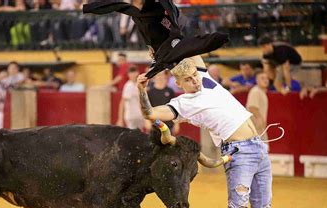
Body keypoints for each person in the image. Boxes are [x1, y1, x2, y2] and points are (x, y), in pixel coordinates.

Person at [136, 56, 282, 208]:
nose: (195, 80)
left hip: (259, 147)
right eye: (188, 79)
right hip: (238, 153)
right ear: (179, 84)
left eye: (195, 74)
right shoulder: (182, 103)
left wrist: (172, 40)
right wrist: (141, 89)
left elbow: (193, 49)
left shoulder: (206, 81)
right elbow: (150, 114)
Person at [83, 0, 229, 78]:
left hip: (168, 37)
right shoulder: (138, 15)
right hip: (166, 40)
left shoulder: (146, 14)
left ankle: (219, 38)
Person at [116, 65, 149, 130]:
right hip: (131, 116)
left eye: (134, 72)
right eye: (131, 73)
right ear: (128, 74)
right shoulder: (128, 86)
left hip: (140, 115)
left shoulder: (140, 84)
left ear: (137, 73)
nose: (133, 74)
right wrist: (120, 118)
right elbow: (122, 103)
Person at [246, 71, 269, 140]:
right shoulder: (256, 91)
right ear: (257, 80)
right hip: (256, 128)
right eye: (262, 78)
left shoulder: (261, 92)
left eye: (266, 78)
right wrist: (260, 125)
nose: (265, 80)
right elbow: (253, 108)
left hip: (258, 128)